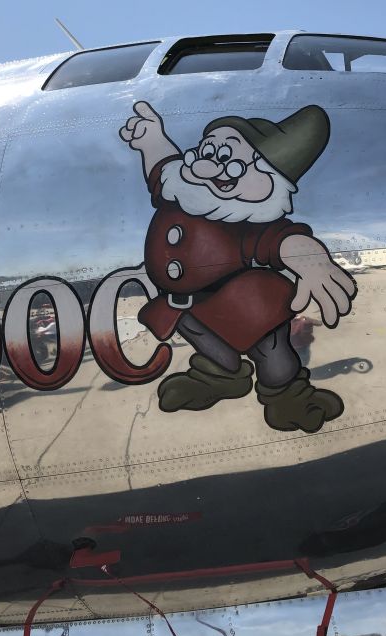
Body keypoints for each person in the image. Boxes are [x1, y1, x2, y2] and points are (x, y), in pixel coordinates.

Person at [120, 101, 358, 432]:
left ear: (269, 180)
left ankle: (289, 397)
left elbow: (279, 240)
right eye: (208, 150)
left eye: (228, 158)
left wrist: (312, 260)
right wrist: (152, 139)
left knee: (272, 353)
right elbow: (163, 168)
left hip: (246, 301)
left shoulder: (245, 218)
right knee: (202, 337)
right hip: (188, 302)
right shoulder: (181, 189)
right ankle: (220, 377)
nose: (209, 163)